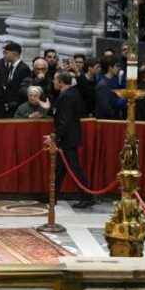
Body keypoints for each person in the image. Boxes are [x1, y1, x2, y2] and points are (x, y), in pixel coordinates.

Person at [45, 71, 94, 208]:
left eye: (55, 80)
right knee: (60, 168)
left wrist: (54, 136)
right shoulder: (71, 93)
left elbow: (65, 121)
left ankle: (87, 196)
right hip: (69, 137)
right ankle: (52, 195)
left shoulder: (67, 96)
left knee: (73, 167)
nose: (53, 82)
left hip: (68, 138)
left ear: (61, 82)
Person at [0, 42, 31, 117]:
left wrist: (13, 104)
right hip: (10, 107)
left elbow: (23, 91)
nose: (4, 55)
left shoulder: (23, 69)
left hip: (17, 108)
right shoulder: (11, 67)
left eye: (6, 53)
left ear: (14, 54)